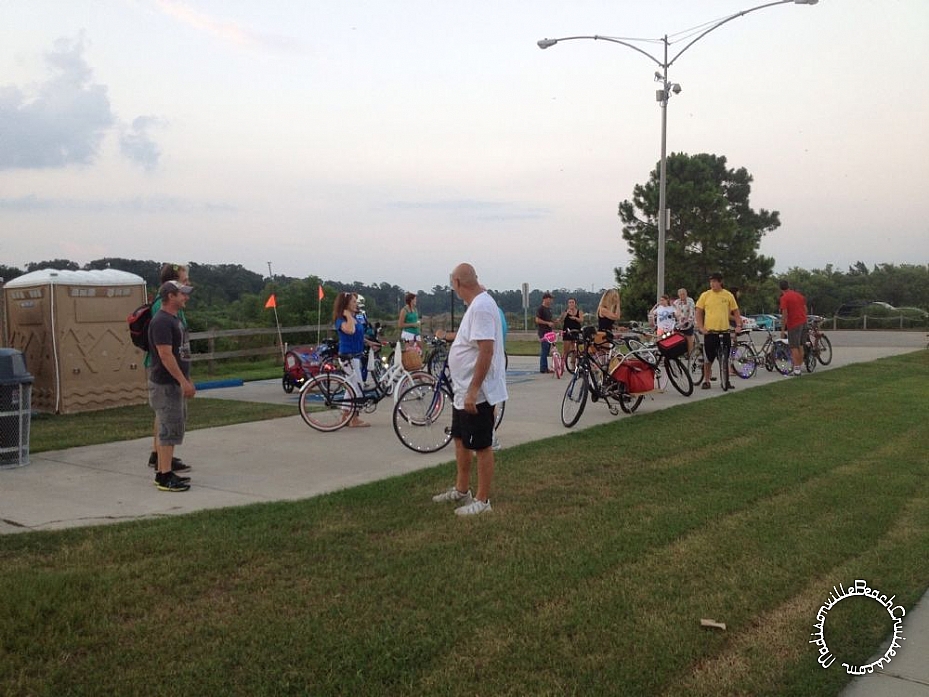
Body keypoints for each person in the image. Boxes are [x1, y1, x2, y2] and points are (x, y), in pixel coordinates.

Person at [432, 263, 507, 516]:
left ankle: (483, 501)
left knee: (481, 445)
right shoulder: (476, 305)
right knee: (461, 439)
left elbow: (487, 350)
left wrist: (474, 390)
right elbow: (470, 341)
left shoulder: (482, 306)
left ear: (457, 284)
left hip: (478, 391)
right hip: (462, 388)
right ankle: (462, 489)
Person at [148, 281, 196, 492]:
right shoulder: (161, 322)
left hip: (174, 383)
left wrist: (186, 378)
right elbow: (165, 355)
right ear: (170, 296)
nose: (186, 297)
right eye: (182, 294)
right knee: (168, 429)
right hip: (166, 385)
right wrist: (182, 381)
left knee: (173, 426)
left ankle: (165, 469)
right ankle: (163, 476)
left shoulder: (173, 320)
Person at [695, 272, 742, 390]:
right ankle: (706, 380)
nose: (713, 284)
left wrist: (738, 325)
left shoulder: (728, 295)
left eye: (715, 281)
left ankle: (726, 380)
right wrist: (701, 327)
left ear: (720, 282)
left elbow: (736, 311)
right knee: (708, 358)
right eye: (711, 281)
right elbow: (699, 312)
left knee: (725, 357)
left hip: (724, 331)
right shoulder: (705, 295)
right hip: (710, 332)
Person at [333, 292, 369, 428]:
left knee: (351, 387)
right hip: (348, 357)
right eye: (353, 302)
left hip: (356, 356)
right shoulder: (341, 320)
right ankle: (353, 418)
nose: (356, 304)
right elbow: (350, 331)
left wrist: (369, 343)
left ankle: (346, 416)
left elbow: (358, 334)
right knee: (356, 388)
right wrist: (347, 315)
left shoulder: (355, 319)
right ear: (346, 304)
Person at [778, 279, 809, 376]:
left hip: (794, 324)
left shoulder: (784, 298)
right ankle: (798, 368)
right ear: (789, 286)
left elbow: (784, 314)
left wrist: (783, 329)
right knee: (800, 345)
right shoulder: (799, 295)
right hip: (803, 322)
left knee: (794, 347)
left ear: (780, 288)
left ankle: (796, 370)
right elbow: (806, 309)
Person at [558, 297, 584, 362]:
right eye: (570, 302)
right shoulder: (565, 311)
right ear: (568, 304)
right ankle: (562, 364)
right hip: (567, 331)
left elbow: (581, 320)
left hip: (576, 331)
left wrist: (575, 318)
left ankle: (573, 364)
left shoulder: (579, 311)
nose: (571, 304)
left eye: (573, 302)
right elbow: (561, 320)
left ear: (575, 303)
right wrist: (566, 313)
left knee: (575, 349)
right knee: (566, 350)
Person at [535, 292, 556, 373]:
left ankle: (545, 367)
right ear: (545, 299)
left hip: (549, 331)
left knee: (547, 350)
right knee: (544, 349)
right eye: (549, 298)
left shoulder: (549, 309)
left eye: (551, 299)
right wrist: (547, 323)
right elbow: (537, 320)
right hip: (543, 332)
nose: (551, 300)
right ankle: (543, 368)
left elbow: (550, 321)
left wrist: (553, 322)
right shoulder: (540, 308)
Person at [673, 287, 697, 353]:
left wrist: (689, 320)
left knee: (689, 338)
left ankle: (690, 353)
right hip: (679, 323)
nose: (682, 295)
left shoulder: (690, 301)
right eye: (680, 294)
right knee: (677, 338)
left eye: (683, 294)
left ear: (686, 294)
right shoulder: (676, 302)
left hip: (688, 323)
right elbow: (674, 312)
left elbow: (692, 311)